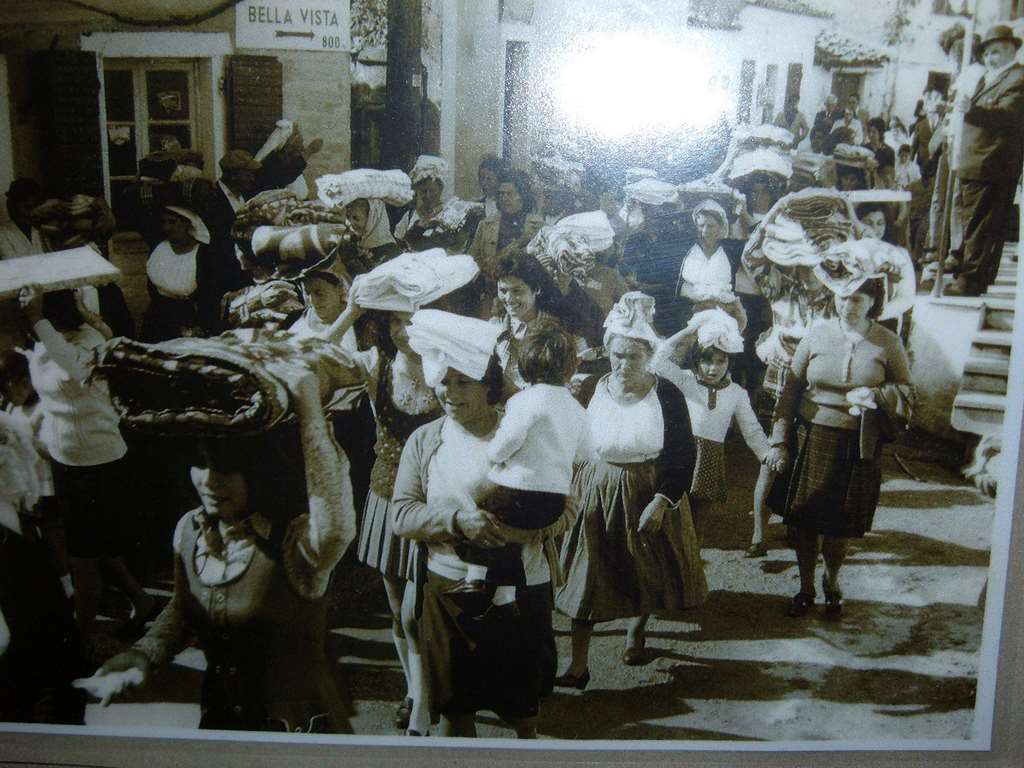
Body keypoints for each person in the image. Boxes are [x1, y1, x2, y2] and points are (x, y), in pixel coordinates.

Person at [79, 368, 358, 733]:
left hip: (295, 732)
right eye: (200, 464)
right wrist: (143, 654)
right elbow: (184, 608)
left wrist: (309, 406)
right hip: (221, 721)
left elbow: (336, 522)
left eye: (225, 468)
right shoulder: (190, 530)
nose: (209, 481)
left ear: (259, 471)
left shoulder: (298, 540)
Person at [391, 311, 570, 738]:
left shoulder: (522, 431)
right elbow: (402, 514)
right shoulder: (425, 440)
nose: (450, 393)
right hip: (449, 589)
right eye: (444, 382)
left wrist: (524, 533)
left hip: (522, 587)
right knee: (455, 710)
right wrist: (457, 521)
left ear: (488, 384)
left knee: (522, 712)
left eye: (463, 382)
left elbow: (568, 507)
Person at [555, 293, 705, 685]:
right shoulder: (591, 387)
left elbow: (683, 454)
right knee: (585, 575)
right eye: (617, 355)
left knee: (644, 568)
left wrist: (662, 501)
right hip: (595, 488)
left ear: (649, 356)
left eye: (633, 357)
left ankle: (637, 630)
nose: (623, 365)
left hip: (647, 489)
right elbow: (571, 440)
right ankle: (578, 665)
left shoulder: (667, 394)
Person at [17, 285, 155, 654]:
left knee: (84, 555)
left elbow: (76, 370)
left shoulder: (90, 341)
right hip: (66, 458)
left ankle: (85, 636)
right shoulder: (46, 341)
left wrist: (38, 320)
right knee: (94, 544)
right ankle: (141, 600)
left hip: (98, 460)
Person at [770, 274, 913, 618]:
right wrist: (779, 440)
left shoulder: (887, 342)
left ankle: (831, 582)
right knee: (804, 521)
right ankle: (805, 588)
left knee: (839, 526)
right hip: (812, 437)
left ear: (872, 302)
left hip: (857, 443)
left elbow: (908, 391)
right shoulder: (816, 334)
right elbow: (789, 391)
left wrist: (876, 395)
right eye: (843, 297)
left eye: (858, 299)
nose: (849, 305)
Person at [449, 321, 588, 612]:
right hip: (554, 501)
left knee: (475, 500)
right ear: (569, 368)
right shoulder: (576, 408)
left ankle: (476, 577)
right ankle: (505, 593)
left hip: (518, 491)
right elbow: (587, 452)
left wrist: (493, 455)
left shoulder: (525, 400)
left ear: (525, 366)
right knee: (510, 533)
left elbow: (508, 441)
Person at [657, 309, 781, 547]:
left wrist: (766, 453)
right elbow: (657, 360)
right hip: (681, 456)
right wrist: (689, 331)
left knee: (698, 523)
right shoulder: (686, 381)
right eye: (707, 361)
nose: (713, 368)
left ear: (729, 362)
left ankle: (693, 563)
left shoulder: (736, 393)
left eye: (720, 361)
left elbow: (751, 428)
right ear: (696, 361)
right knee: (673, 517)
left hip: (710, 460)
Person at [947, 24, 1024, 297]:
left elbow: (1008, 115)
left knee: (983, 225)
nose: (991, 58)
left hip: (993, 163)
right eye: (988, 53)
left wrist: (974, 110)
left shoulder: (1018, 78)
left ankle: (971, 279)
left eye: (997, 52)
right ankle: (965, 270)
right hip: (974, 162)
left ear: (1012, 50)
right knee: (972, 221)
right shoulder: (989, 77)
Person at [491, 250, 578, 396]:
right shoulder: (493, 327)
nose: (509, 299)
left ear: (536, 289)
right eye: (503, 291)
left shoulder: (560, 330)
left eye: (517, 291)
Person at [468, 169, 545, 316]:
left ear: (522, 196)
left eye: (509, 194)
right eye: (501, 194)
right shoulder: (486, 224)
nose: (504, 198)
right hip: (491, 296)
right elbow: (472, 259)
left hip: (526, 300)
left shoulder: (537, 227)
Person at [141, 205, 223, 341]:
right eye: (164, 222)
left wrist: (201, 324)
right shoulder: (159, 249)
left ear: (187, 223)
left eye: (172, 222)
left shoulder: (203, 253)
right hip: (157, 316)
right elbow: (152, 287)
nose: (167, 227)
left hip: (189, 318)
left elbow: (209, 294)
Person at [344, 197, 402, 268]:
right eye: (348, 217)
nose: (350, 223)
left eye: (356, 218)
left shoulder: (392, 252)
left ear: (372, 219)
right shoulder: (356, 244)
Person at [0, 179, 45, 259]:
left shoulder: (39, 231)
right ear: (14, 208)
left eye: (35, 207)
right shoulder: (3, 235)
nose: (33, 212)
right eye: (27, 207)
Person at [477, 155, 508, 219]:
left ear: (499, 180)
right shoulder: (476, 206)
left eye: (489, 179)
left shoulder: (507, 205)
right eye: (482, 178)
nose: (484, 183)